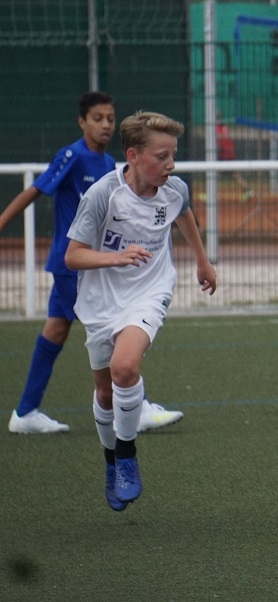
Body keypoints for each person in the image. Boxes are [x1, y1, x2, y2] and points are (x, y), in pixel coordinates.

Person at [1, 91, 183, 434]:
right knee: (115, 329)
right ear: (82, 122)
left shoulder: (108, 163)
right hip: (76, 264)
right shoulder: (73, 156)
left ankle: (25, 411)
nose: (105, 125)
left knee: (56, 329)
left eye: (110, 119)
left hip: (90, 263)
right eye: (97, 118)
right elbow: (35, 190)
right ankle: (138, 406)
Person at [64, 110, 217, 511]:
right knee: (104, 391)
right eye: (162, 157)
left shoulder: (174, 189)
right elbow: (73, 256)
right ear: (133, 156)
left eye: (173, 155)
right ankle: (111, 461)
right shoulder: (103, 194)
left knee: (125, 367)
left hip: (150, 290)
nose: (171, 165)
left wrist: (202, 261)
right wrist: (115, 258)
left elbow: (184, 214)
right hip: (100, 301)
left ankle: (127, 454)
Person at [215, 115, 254, 201]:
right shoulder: (224, 128)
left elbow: (220, 144)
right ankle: (248, 190)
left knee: (214, 173)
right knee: (233, 174)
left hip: (224, 155)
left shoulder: (217, 129)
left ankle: (211, 193)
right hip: (229, 154)